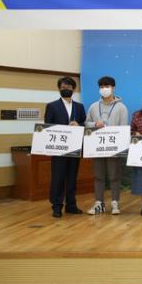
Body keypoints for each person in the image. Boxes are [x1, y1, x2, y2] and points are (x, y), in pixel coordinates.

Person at [85, 76, 129, 215]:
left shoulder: (121, 107)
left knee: (114, 176)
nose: (104, 89)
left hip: (113, 148)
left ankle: (115, 202)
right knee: (98, 176)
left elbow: (123, 128)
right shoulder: (93, 106)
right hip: (97, 147)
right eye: (102, 87)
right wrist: (94, 124)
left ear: (113, 88)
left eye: (107, 86)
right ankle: (99, 203)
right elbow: (86, 123)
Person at [44, 77, 86, 218]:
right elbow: (47, 127)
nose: (65, 89)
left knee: (72, 177)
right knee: (58, 177)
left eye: (68, 87)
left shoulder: (79, 107)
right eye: (63, 87)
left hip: (75, 148)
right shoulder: (52, 106)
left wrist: (78, 125)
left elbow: (84, 123)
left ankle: (71, 205)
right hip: (58, 149)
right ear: (59, 89)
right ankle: (56, 206)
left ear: (73, 89)